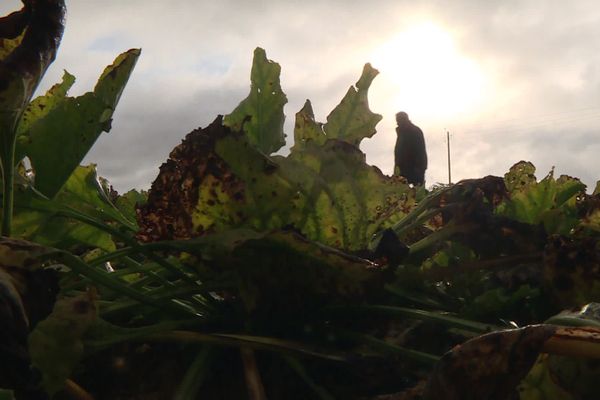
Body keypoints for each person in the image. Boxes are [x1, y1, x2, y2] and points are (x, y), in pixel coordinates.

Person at [394, 112, 427, 186]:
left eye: (398, 121)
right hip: (402, 169)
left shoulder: (414, 131)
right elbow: (399, 153)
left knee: (417, 193)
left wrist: (419, 168)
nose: (397, 123)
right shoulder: (402, 133)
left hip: (415, 169)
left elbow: (420, 151)